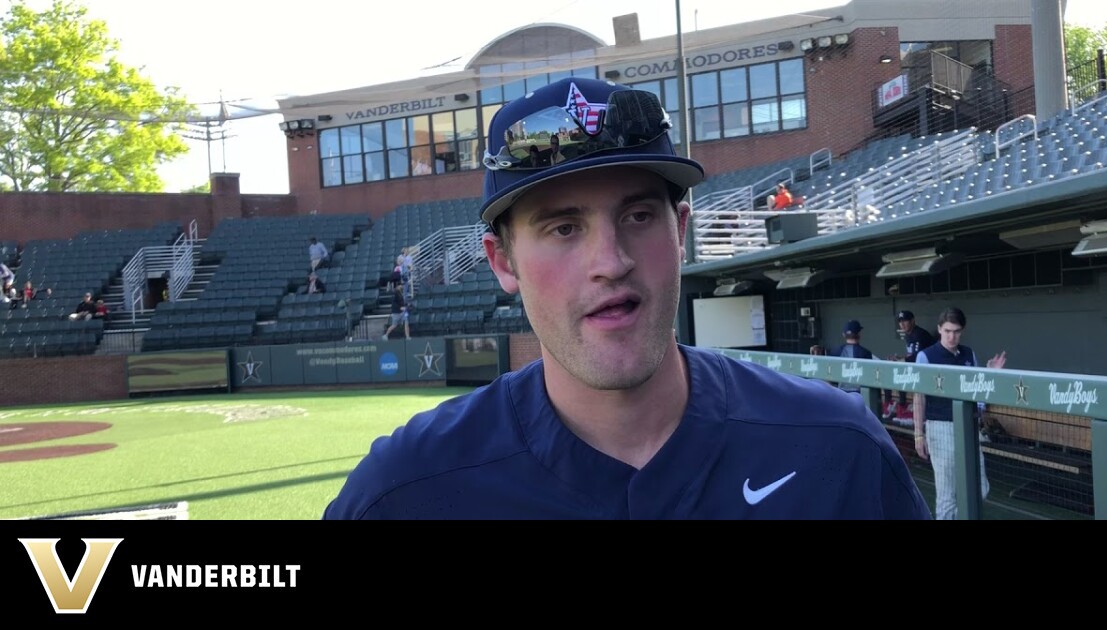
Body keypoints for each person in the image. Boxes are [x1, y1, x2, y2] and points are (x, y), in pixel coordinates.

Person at [324, 77, 930, 520]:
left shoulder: (837, 446)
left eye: (638, 215)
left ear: (681, 231)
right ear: (503, 262)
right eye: (563, 228)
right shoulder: (406, 490)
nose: (611, 261)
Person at [913, 306, 1007, 520]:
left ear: (962, 331)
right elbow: (919, 396)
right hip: (940, 426)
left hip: (968, 426)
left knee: (980, 488)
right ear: (939, 330)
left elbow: (977, 393)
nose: (951, 336)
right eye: (947, 331)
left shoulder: (968, 354)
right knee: (947, 494)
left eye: (956, 331)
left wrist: (990, 375)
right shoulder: (926, 356)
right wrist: (919, 433)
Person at [885, 310, 937, 420]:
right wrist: (899, 358)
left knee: (900, 372)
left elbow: (917, 357)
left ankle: (903, 407)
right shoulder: (909, 335)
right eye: (900, 321)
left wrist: (901, 360)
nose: (902, 324)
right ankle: (893, 405)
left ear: (913, 321)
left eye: (905, 321)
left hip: (930, 371)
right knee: (891, 368)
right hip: (920, 370)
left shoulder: (919, 334)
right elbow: (911, 355)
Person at [834, 320, 879, 394]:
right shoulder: (865, 353)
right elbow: (870, 377)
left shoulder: (835, 351)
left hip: (840, 393)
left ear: (844, 335)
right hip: (859, 393)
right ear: (859, 334)